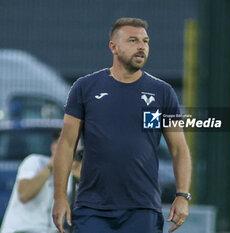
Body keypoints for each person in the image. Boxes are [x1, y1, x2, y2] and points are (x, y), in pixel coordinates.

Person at [52, 17, 192, 233]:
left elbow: (179, 148)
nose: (141, 47)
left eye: (145, 41)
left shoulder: (162, 92)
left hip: (143, 208)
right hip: (92, 209)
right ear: (113, 47)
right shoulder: (85, 88)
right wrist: (60, 198)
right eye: (133, 41)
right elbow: (67, 144)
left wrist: (182, 195)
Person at [0, 131, 81, 233]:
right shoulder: (35, 162)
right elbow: (24, 195)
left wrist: (81, 178)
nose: (71, 156)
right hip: (22, 229)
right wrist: (51, 167)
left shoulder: (73, 175)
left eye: (75, 152)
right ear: (54, 148)